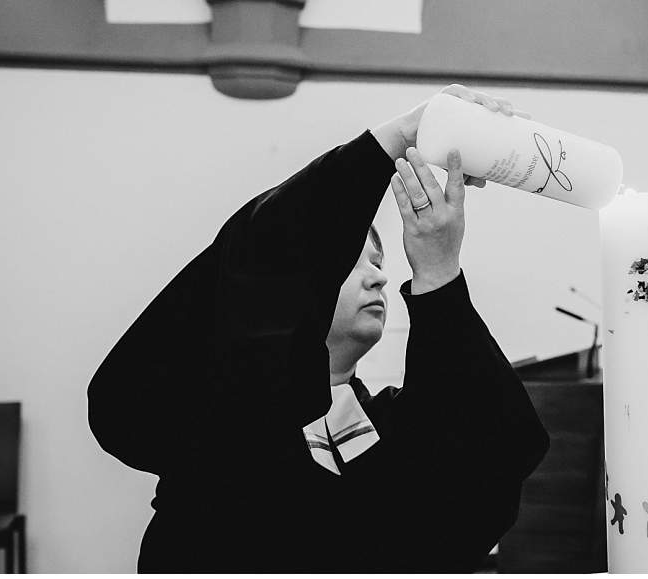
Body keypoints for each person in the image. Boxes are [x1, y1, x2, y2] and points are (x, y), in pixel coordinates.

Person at [87, 85, 550, 572]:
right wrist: (398, 137)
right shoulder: (214, 409)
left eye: (382, 261)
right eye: (354, 261)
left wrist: (438, 275)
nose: (380, 276)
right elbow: (262, 254)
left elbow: (491, 454)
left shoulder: (400, 432)